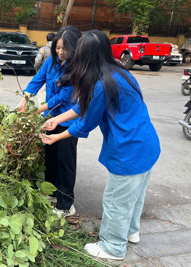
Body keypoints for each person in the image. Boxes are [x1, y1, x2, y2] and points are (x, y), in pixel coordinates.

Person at [40, 30, 161, 260]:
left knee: (115, 199)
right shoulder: (121, 73)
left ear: (85, 56)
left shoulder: (101, 84)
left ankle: (113, 247)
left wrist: (55, 137)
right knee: (134, 195)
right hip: (147, 144)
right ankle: (131, 232)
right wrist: (57, 119)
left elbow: (85, 123)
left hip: (128, 151)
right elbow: (84, 107)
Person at [17, 25, 82, 218]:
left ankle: (66, 205)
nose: (61, 52)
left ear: (75, 48)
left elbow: (63, 97)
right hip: (50, 118)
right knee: (51, 157)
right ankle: (52, 194)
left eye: (65, 48)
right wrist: (25, 98)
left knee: (65, 162)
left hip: (67, 120)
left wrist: (36, 109)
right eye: (58, 48)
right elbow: (38, 79)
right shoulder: (52, 61)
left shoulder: (77, 68)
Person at [33, 32, 55, 105]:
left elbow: (38, 60)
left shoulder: (43, 49)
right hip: (54, 74)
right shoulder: (57, 49)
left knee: (42, 92)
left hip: (42, 73)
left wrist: (36, 68)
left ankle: (42, 111)